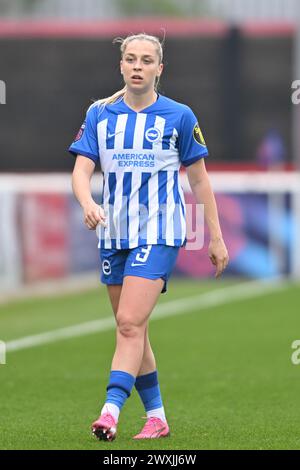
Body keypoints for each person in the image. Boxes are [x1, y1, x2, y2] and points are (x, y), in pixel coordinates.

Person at [69, 33, 229, 441]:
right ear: (121, 66)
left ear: (160, 68)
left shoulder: (179, 116)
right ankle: (157, 417)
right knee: (134, 329)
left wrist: (215, 237)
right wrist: (87, 202)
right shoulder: (99, 114)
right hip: (114, 232)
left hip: (160, 230)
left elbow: (199, 180)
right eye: (130, 59)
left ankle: (110, 411)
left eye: (146, 60)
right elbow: (82, 170)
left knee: (127, 323)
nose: (137, 66)